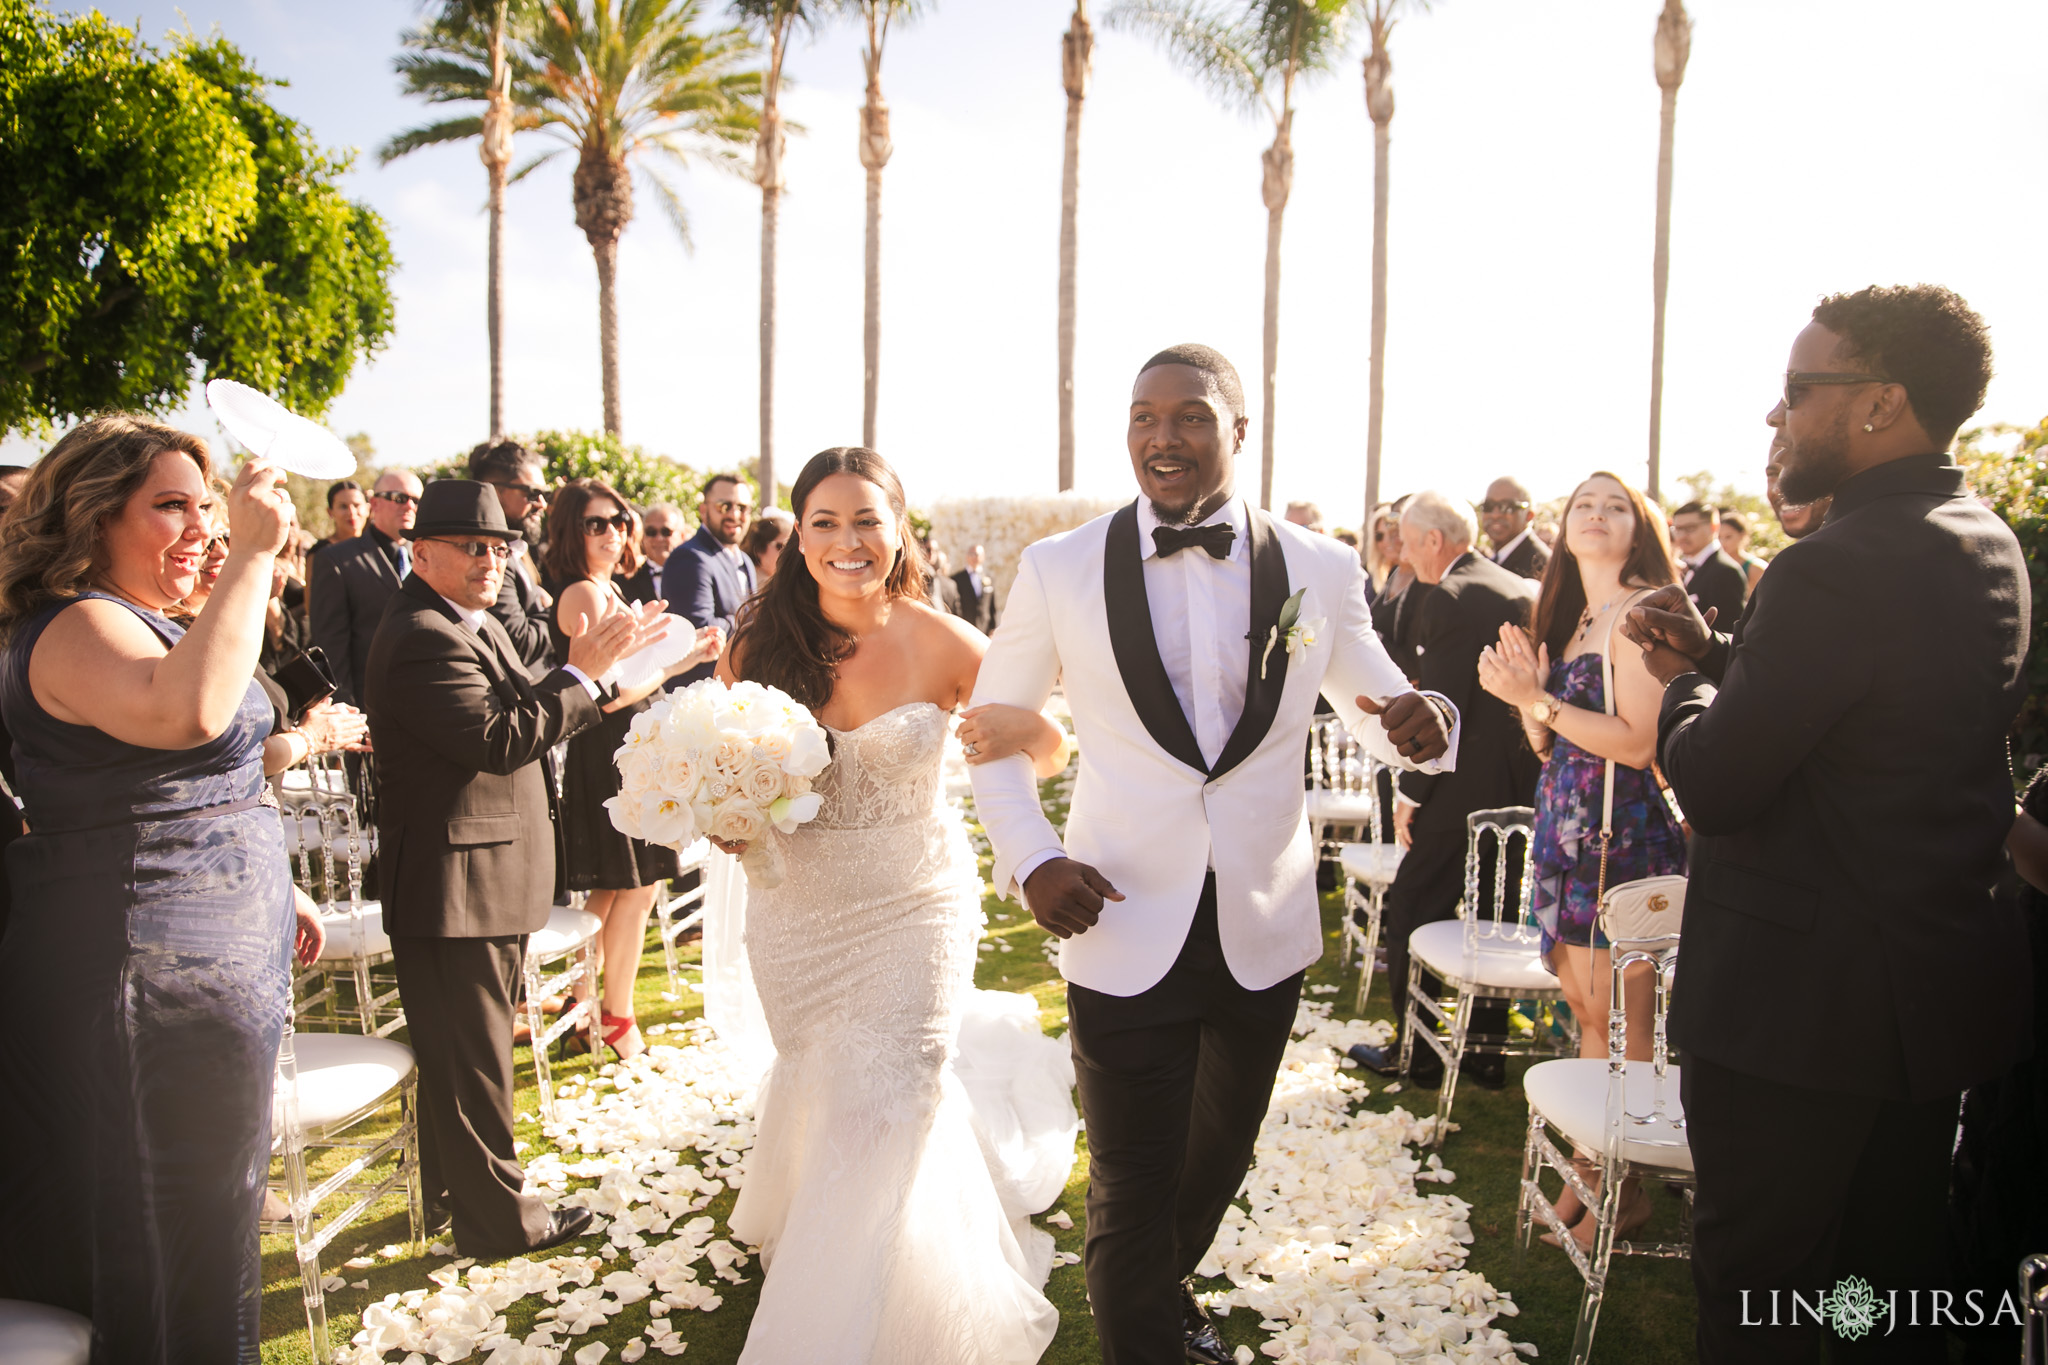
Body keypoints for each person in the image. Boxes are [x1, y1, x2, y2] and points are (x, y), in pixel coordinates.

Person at [969, 344, 1455, 1365]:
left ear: (1238, 429)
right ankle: (1146, 1339)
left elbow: (1377, 703)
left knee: (1212, 1162)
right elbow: (991, 737)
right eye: (1142, 416)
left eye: (1187, 415)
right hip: (1114, 912)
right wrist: (1030, 857)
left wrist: (1427, 720)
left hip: (1260, 926)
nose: (1160, 436)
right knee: (1131, 1179)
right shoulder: (1058, 567)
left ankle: (1156, 1296)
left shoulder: (1318, 569)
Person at [1622, 284, 2030, 1362]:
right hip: (1914, 1014)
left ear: (1876, 404)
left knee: (1760, 1301)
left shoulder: (1831, 568)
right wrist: (1720, 656)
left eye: (1797, 389)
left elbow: (1713, 783)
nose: (1773, 415)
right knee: (1874, 1301)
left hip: (1792, 1028)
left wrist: (1673, 681)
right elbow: (1874, 722)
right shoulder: (1982, 542)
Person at [715, 447, 1077, 1364]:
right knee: (826, 1082)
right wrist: (725, 817)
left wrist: (1031, 730)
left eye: (867, 519)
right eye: (825, 522)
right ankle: (827, 1232)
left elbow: (1049, 747)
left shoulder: (946, 640)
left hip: (914, 904)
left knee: (889, 1095)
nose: (847, 541)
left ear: (900, 528)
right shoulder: (755, 646)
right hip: (796, 910)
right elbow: (735, 778)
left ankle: (851, 1313)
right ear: (798, 537)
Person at [0, 415, 325, 1357]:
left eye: (207, 506)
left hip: (201, 957)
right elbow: (183, 711)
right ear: (92, 515)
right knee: (168, 1233)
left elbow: (202, 769)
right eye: (169, 506)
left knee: (207, 1224)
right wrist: (252, 557)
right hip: (144, 974)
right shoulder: (73, 620)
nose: (200, 528)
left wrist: (268, 869)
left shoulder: (146, 619)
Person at [362, 479, 669, 1257]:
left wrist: (594, 676)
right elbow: (499, 737)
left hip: (482, 873)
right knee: (475, 1059)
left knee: (466, 1053)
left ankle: (449, 1195)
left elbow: (526, 707)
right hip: (452, 879)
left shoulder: (468, 622)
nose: (490, 560)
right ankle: (500, 1219)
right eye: (472, 546)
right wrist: (582, 672)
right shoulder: (422, 632)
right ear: (419, 549)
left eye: (500, 547)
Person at [1473, 470, 1687, 1249]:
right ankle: (1589, 1173)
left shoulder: (1639, 613)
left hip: (1620, 840)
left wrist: (1539, 701)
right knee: (1588, 1016)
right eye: (1583, 505)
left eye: (1615, 505)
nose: (1596, 515)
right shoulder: (1570, 619)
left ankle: (1625, 1191)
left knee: (1628, 1027)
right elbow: (1551, 739)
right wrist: (1526, 700)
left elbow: (1637, 740)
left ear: (1640, 527)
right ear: (1563, 527)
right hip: (1566, 830)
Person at [1349, 490, 1538, 1094]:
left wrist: (1411, 791)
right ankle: (1487, 1053)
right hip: (1521, 783)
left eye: (1405, 540)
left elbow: (1442, 712)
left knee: (1414, 907)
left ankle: (1418, 1053)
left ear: (1434, 540)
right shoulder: (1517, 587)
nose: (1400, 553)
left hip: (1459, 790)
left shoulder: (1450, 597)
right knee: (1495, 912)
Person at [543, 479, 719, 1060]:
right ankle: (602, 1013)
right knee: (619, 888)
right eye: (597, 523)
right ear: (572, 530)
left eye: (620, 521)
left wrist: (687, 657)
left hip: (631, 749)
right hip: (607, 751)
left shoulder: (609, 589)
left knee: (634, 890)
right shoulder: (584, 595)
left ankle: (597, 1011)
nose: (613, 532)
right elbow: (608, 695)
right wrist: (678, 664)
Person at [310, 467, 422, 705]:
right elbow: (331, 647)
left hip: (424, 701)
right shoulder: (336, 560)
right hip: (372, 706)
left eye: (416, 500)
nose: (410, 506)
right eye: (399, 498)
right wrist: (349, 713)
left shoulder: (426, 557)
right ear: (375, 503)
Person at [470, 439, 556, 671]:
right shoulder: (490, 561)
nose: (541, 504)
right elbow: (519, 644)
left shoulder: (519, 551)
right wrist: (554, 612)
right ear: (496, 493)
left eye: (544, 494)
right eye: (532, 493)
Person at [666, 472, 757, 686]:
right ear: (704, 510)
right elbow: (701, 629)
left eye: (743, 508)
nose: (735, 515)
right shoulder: (689, 558)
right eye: (724, 506)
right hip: (699, 692)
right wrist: (755, 623)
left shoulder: (744, 560)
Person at [1667, 499, 1746, 627]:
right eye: (1677, 529)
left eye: (1690, 529)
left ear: (1714, 527)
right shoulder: (1684, 565)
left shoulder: (1725, 571)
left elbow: (1728, 631)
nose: (1681, 536)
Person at [1480, 476, 1549, 581]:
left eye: (1507, 507)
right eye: (1488, 506)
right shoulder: (1492, 560)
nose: (1495, 514)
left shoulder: (1542, 565)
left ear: (1529, 515)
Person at [311, 478, 369, 558]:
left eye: (356, 505)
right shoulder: (320, 553)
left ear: (368, 508)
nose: (351, 512)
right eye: (343, 506)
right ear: (330, 512)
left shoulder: (378, 548)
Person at [952, 542, 1000, 634]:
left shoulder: (989, 578)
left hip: (985, 627)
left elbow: (992, 605)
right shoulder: (957, 579)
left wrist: (993, 628)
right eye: (971, 554)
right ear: (967, 556)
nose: (974, 557)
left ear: (983, 557)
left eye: (977, 554)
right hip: (965, 626)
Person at [1715, 510, 1767, 594]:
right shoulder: (1712, 566)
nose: (1722, 542)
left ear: (1742, 535)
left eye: (1728, 537)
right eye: (1719, 537)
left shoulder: (1756, 568)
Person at [739, 505, 793, 581]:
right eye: (780, 546)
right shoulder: (742, 582)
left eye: (790, 547)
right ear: (759, 548)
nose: (786, 553)